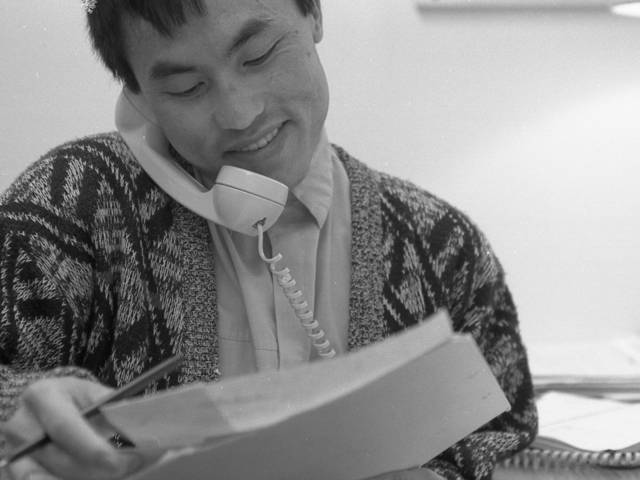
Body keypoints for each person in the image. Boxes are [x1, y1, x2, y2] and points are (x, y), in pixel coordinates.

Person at [0, 1, 537, 479]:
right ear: (138, 98)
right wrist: (17, 407)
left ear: (316, 15)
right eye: (186, 88)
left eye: (257, 55)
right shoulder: (69, 207)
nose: (239, 114)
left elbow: (506, 431)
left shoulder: (442, 244)